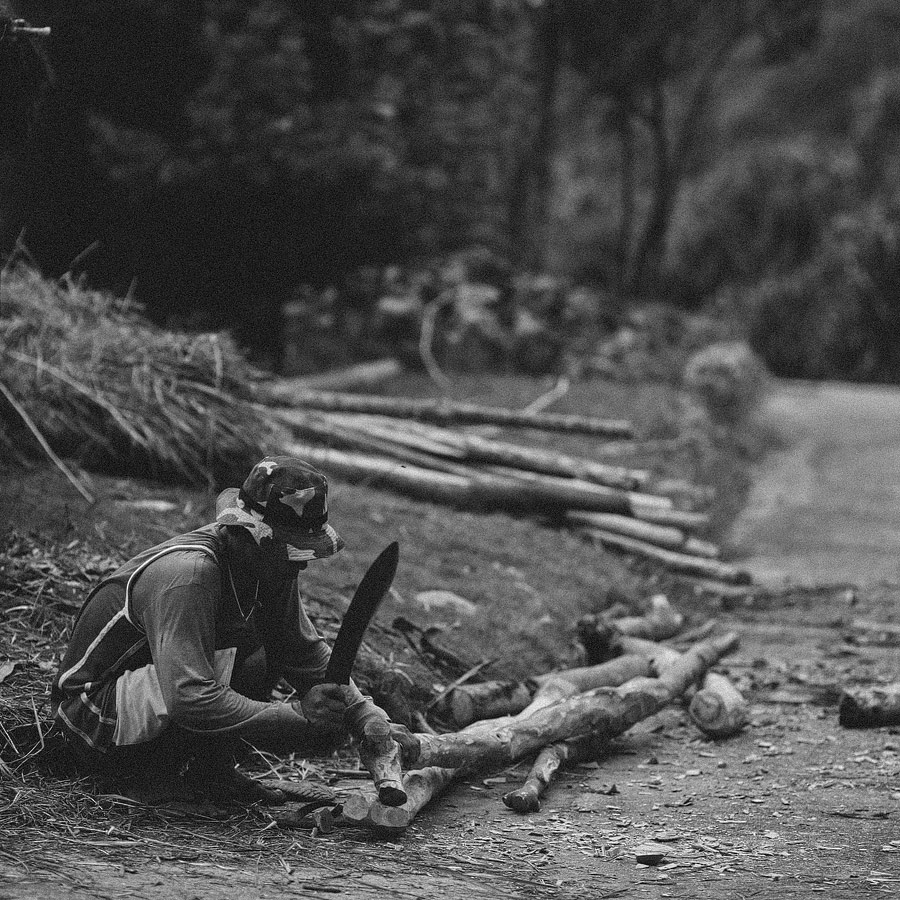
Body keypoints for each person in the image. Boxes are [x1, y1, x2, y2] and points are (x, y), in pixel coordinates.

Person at [52, 455, 399, 803]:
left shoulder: (270, 567)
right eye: (290, 549)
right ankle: (143, 777)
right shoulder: (189, 576)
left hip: (153, 696)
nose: (303, 563)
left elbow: (302, 651)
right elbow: (189, 697)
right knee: (233, 662)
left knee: (261, 654)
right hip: (90, 715)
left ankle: (212, 774)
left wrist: (363, 713)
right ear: (246, 533)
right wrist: (292, 716)